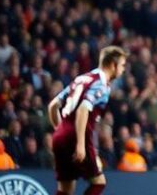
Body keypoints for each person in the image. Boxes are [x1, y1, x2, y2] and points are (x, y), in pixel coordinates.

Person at [47, 46, 128, 195]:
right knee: (98, 183)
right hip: (78, 137)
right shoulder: (101, 85)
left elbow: (53, 105)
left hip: (60, 136)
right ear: (112, 65)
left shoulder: (82, 79)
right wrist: (80, 145)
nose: (123, 70)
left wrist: (61, 130)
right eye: (122, 65)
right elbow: (83, 110)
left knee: (66, 189)